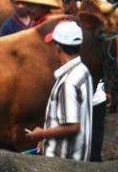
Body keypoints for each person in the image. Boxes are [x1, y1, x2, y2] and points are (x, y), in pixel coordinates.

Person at [26, 21, 93, 161]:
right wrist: (46, 139)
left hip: (62, 163)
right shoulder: (83, 71)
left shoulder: (68, 82)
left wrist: (43, 134)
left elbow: (73, 126)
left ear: (57, 47)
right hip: (78, 156)